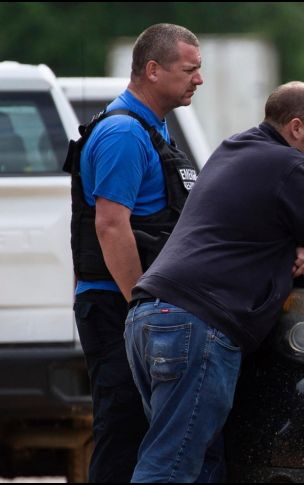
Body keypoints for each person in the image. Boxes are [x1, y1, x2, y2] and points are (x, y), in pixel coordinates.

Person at [123, 81, 304, 482]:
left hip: (148, 316)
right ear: (296, 128)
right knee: (170, 466)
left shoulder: (232, 150)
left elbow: (245, 221)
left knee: (204, 464)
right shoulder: (291, 165)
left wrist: (294, 242)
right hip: (197, 327)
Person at [62, 23, 203, 482]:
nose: (198, 80)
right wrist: (141, 304)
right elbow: (110, 225)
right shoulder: (123, 133)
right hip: (117, 306)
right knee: (123, 434)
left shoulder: (153, 129)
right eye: (190, 70)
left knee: (145, 435)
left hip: (135, 307)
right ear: (153, 70)